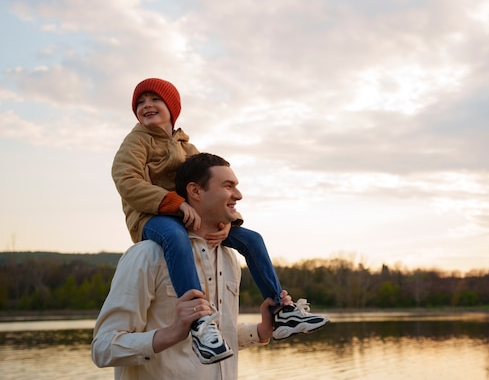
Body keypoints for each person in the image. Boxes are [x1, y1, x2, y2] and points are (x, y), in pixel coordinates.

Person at [111, 78, 328, 364]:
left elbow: (213, 188)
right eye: (140, 102)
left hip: (190, 217)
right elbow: (125, 179)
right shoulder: (137, 140)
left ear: (172, 108)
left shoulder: (187, 147)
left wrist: (228, 221)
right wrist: (171, 202)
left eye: (154, 100)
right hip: (151, 217)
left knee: (252, 239)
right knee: (175, 237)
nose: (146, 105)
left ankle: (281, 310)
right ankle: (199, 321)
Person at [92, 153, 289, 380]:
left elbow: (221, 333)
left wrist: (261, 331)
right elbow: (103, 348)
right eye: (228, 186)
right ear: (195, 191)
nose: (239, 195)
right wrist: (173, 333)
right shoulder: (147, 255)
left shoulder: (228, 258)